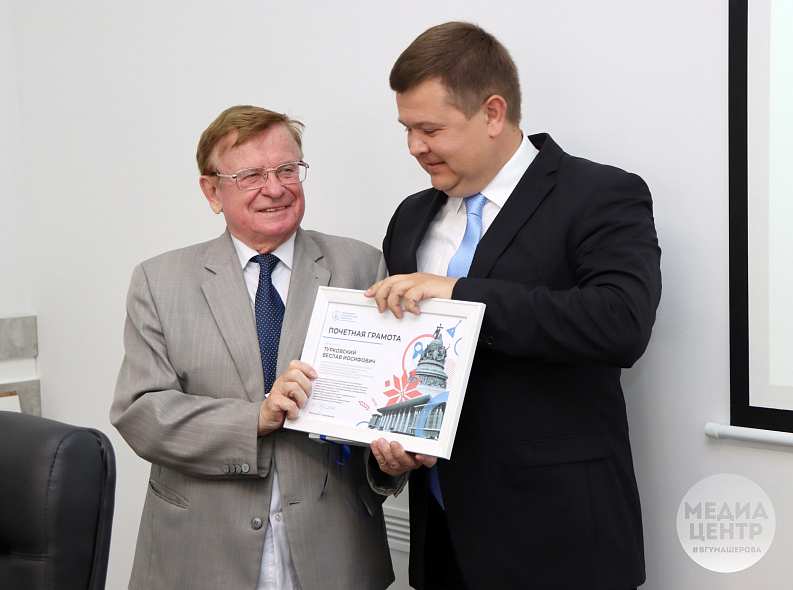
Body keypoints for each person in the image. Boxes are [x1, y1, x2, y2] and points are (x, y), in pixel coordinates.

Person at [366, 22, 661, 590]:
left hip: (559, 539)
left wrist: (459, 295)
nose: (415, 147)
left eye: (431, 129)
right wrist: (393, 444)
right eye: (407, 130)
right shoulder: (411, 216)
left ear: (493, 113)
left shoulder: (600, 194)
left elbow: (620, 323)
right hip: (442, 540)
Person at [111, 105, 399, 590]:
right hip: (200, 552)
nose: (275, 188)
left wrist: (394, 459)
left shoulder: (363, 266)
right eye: (251, 176)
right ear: (212, 191)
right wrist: (255, 418)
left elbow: (380, 404)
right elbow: (141, 413)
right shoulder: (159, 281)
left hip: (334, 551)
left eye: (287, 169)